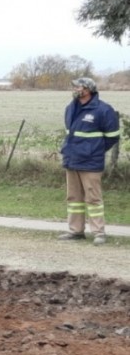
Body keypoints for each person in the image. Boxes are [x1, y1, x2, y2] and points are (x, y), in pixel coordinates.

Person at [58, 77, 119, 246]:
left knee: (93, 199)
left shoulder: (103, 110)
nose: (75, 89)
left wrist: (94, 150)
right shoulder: (70, 108)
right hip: (72, 160)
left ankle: (99, 232)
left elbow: (113, 137)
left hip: (91, 162)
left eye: (78, 87)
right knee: (73, 198)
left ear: (88, 89)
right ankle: (75, 231)